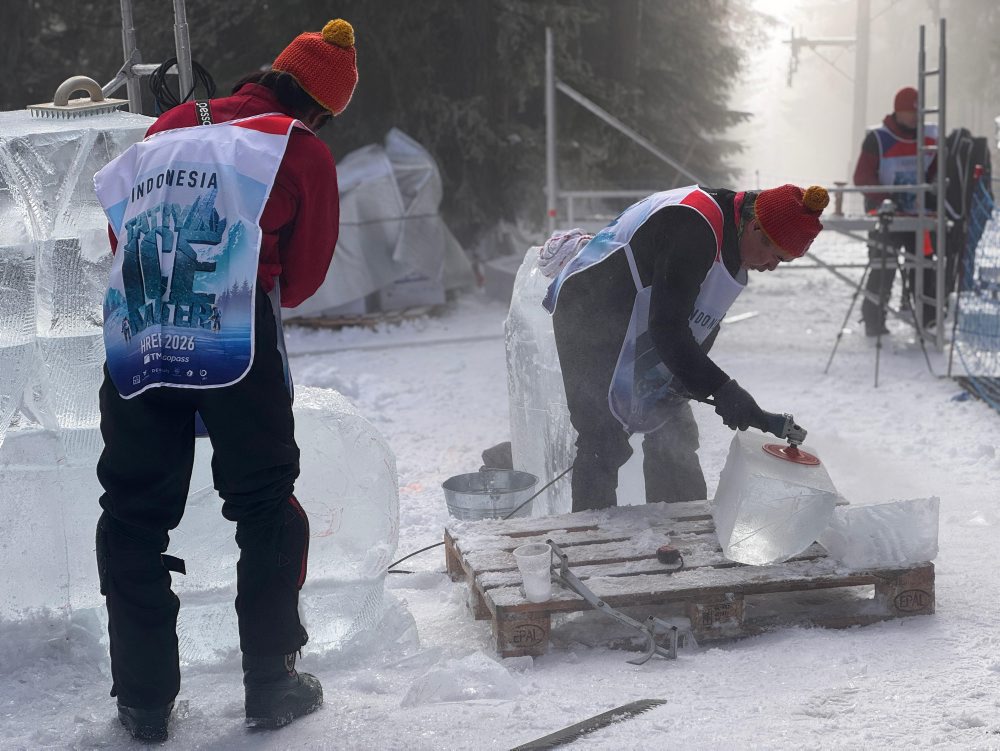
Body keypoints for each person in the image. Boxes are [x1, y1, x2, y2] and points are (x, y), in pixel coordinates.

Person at [91, 19, 357, 741]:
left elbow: (124, 232)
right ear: (322, 108)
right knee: (266, 503)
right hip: (236, 333)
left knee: (133, 513)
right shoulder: (298, 151)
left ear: (267, 75)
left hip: (141, 325)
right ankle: (271, 682)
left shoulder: (170, 124)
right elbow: (300, 281)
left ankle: (143, 702)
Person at [544, 184, 827, 512]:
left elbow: (700, 318)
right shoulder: (694, 228)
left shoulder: (732, 238)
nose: (773, 266)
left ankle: (683, 529)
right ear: (755, 228)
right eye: (776, 255)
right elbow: (669, 330)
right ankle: (590, 542)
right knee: (602, 437)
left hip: (642, 314)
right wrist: (724, 390)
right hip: (591, 306)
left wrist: (686, 381)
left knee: (673, 424)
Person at [853, 86, 938, 335]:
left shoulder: (929, 137)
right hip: (886, 217)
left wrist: (932, 194)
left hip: (918, 218)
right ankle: (874, 320)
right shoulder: (878, 138)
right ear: (897, 111)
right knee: (883, 268)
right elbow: (862, 176)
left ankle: (927, 319)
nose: (913, 117)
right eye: (908, 112)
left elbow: (935, 171)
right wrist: (886, 198)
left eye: (916, 113)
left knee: (922, 267)